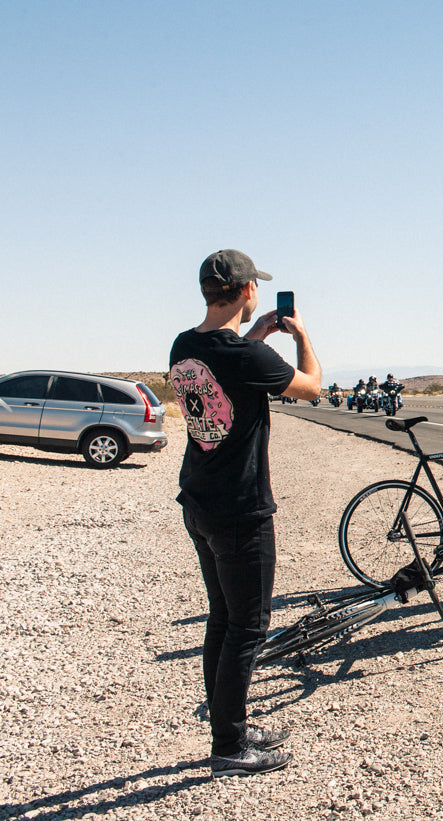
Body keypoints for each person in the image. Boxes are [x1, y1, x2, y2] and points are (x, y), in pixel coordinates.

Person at [168, 249, 322, 775]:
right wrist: (302, 338)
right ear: (248, 290)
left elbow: (226, 363)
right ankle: (229, 747)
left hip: (200, 500)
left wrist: (254, 334)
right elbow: (311, 387)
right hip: (240, 509)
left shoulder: (185, 345)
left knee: (223, 619)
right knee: (249, 628)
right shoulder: (247, 357)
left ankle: (229, 727)